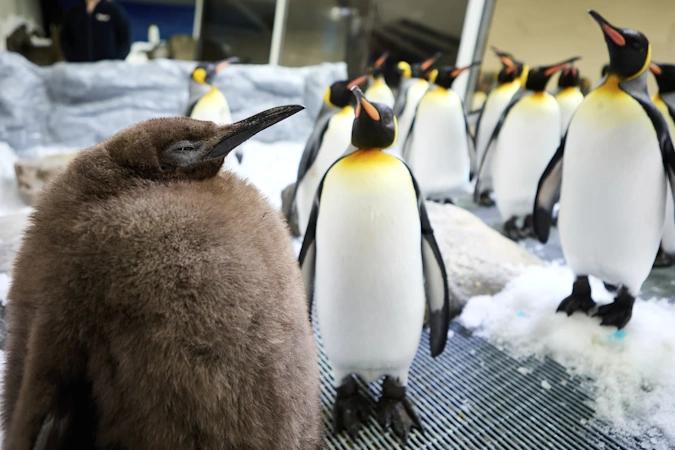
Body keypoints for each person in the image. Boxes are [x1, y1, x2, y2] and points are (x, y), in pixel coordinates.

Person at [60, 0, 130, 62]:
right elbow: (65, 39)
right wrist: (71, 58)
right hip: (80, 69)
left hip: (107, 69)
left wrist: (116, 61)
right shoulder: (74, 13)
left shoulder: (114, 11)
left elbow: (125, 39)